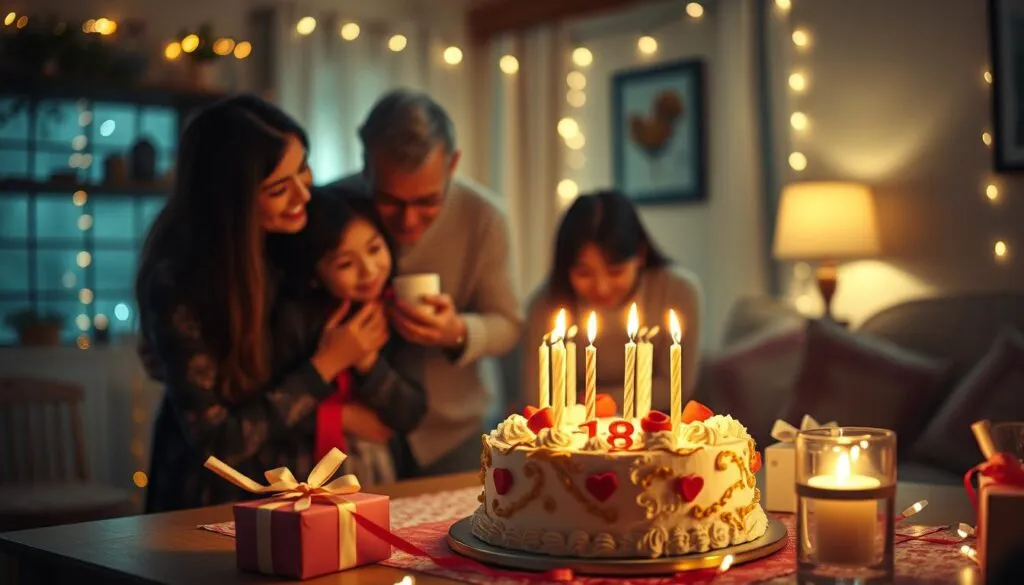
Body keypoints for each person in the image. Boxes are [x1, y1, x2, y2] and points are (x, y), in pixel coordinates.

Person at [136, 95, 376, 512]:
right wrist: (326, 365)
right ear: (232, 203)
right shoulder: (181, 281)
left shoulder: (289, 240)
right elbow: (219, 441)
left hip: (292, 487)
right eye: (279, 188)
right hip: (210, 501)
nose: (304, 194)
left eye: (303, 168)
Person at [327, 89, 521, 477]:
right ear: (366, 163)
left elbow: (508, 324)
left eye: (428, 202)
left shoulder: (483, 217)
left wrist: (458, 331)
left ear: (453, 164)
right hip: (351, 438)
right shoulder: (332, 207)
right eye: (390, 201)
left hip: (451, 432)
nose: (409, 220)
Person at [268, 188, 427, 485]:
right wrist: (337, 416)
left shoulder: (394, 308)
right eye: (345, 264)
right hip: (303, 479)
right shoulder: (292, 319)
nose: (369, 270)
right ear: (314, 274)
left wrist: (368, 363)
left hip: (386, 474)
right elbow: (267, 413)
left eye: (375, 249)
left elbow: (411, 413)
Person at [522, 190, 702, 414]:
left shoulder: (677, 291)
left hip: (654, 426)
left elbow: (674, 387)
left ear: (641, 254)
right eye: (584, 273)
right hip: (572, 430)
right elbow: (539, 396)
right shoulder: (545, 304)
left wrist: (589, 401)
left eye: (616, 271)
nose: (602, 287)